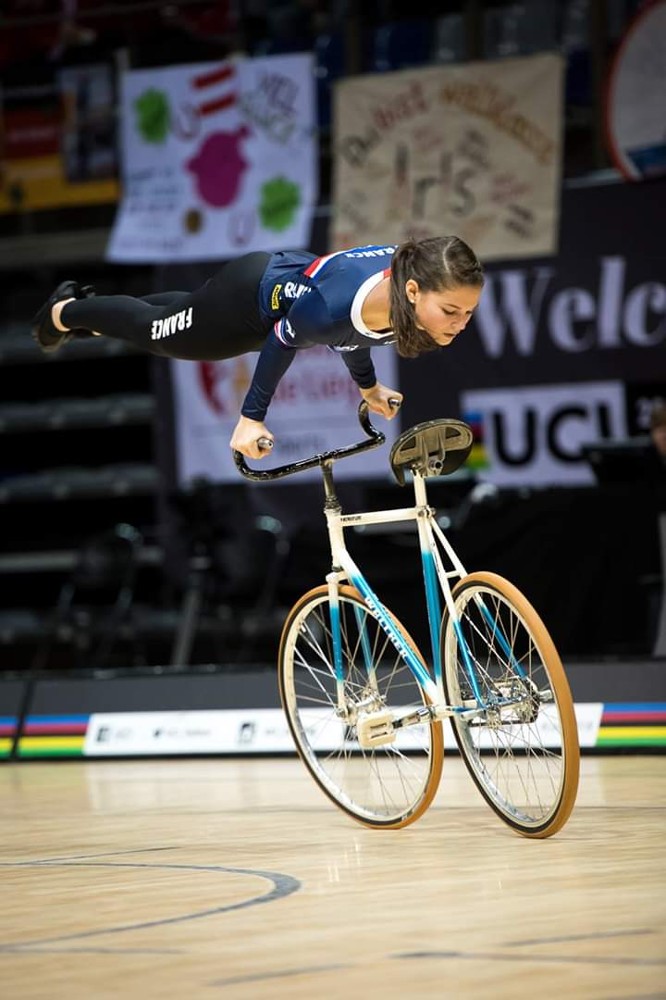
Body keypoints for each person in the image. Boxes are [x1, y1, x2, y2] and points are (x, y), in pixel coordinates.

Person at [31, 236, 485, 458]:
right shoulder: (331, 309)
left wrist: (367, 388)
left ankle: (95, 315)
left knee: (178, 313)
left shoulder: (407, 277)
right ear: (411, 291)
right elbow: (283, 340)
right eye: (451, 311)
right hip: (245, 307)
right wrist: (251, 419)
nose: (460, 324)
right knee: (154, 332)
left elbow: (356, 334)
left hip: (280, 277)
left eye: (468, 313)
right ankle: (64, 312)